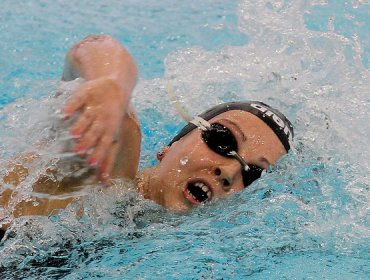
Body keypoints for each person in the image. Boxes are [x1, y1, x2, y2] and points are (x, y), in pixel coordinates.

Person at [0, 35, 293, 234]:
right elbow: (98, 47)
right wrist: (111, 84)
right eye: (222, 140)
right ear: (171, 145)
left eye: (252, 172)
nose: (228, 171)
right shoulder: (105, 169)